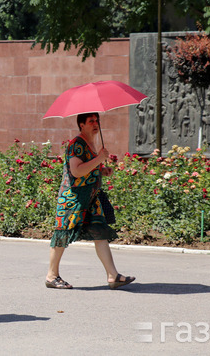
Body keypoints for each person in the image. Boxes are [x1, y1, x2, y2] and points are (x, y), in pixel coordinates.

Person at [45, 112, 135, 290]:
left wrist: (102, 170)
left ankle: (113, 275)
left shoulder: (91, 144)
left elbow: (89, 167)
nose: (96, 124)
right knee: (63, 233)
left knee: (100, 231)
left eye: (97, 120)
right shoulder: (76, 144)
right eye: (91, 121)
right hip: (73, 199)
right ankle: (51, 276)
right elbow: (77, 171)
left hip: (91, 198)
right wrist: (100, 159)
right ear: (81, 125)